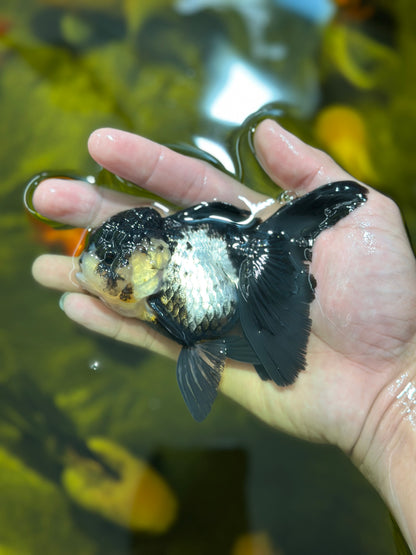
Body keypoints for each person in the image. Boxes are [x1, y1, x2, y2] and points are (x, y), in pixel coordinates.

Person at [32, 120, 416, 550]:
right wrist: (393, 402)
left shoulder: (169, 283)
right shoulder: (154, 289)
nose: (95, 269)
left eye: (109, 263)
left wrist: (394, 394)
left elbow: (198, 341)